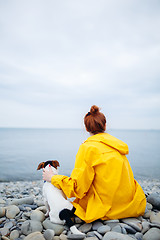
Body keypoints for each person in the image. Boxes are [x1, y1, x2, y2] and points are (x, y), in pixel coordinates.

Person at [43, 105, 146, 223]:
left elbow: (78, 188)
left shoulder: (87, 148)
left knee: (53, 187)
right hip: (131, 204)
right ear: (105, 126)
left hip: (105, 208)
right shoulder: (117, 146)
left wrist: (53, 178)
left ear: (86, 129)